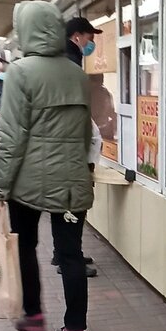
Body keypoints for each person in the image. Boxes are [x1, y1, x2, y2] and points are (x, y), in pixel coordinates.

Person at [0, 1, 94, 331]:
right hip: (71, 182)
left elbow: (11, 137)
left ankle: (33, 314)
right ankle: (76, 329)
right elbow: (84, 135)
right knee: (71, 254)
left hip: (27, 183)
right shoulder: (77, 74)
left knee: (26, 246)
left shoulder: (20, 72)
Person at [49, 16, 103, 278]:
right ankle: (69, 260)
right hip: (70, 154)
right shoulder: (70, 62)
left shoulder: (63, 58)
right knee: (72, 211)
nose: (91, 43)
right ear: (77, 36)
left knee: (64, 210)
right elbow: (72, 112)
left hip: (60, 153)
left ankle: (64, 254)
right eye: (89, 38)